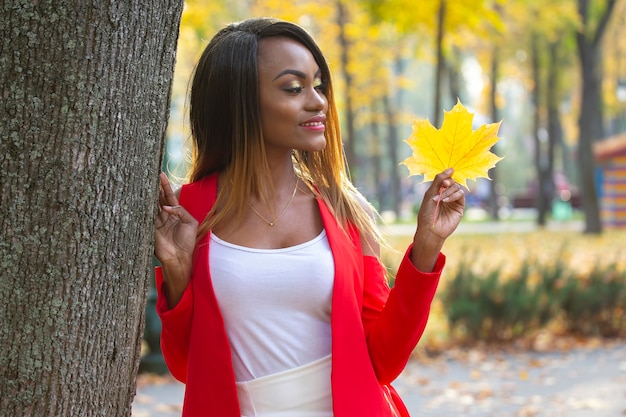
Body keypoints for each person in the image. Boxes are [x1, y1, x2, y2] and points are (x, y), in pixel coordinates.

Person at [154, 17, 465, 417]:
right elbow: (184, 367)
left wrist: (426, 247)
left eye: (318, 85)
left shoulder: (346, 211)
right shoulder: (188, 213)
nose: (318, 100)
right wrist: (178, 272)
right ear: (240, 102)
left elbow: (383, 360)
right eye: (293, 88)